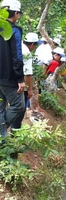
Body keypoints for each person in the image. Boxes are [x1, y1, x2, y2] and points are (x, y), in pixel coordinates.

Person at [0, 0, 25, 137]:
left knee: (0, 107)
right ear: (15, 13)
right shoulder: (14, 30)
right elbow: (17, 57)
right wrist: (20, 79)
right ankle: (1, 133)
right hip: (8, 77)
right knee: (19, 105)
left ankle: (2, 141)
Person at [11, 32, 40, 132]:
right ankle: (15, 132)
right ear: (32, 44)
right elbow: (28, 74)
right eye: (35, 45)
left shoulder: (17, 46)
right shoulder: (26, 53)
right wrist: (29, 90)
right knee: (20, 108)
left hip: (7, 81)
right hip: (18, 84)